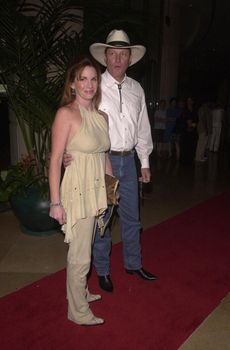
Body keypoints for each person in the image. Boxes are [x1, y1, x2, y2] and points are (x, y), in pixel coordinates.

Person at [64, 29, 157, 293]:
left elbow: (142, 128)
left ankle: (133, 263)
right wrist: (68, 151)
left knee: (132, 217)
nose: (118, 59)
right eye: (113, 53)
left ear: (130, 59)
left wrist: (145, 162)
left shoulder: (136, 89)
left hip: (129, 163)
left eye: (123, 54)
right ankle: (103, 270)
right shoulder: (93, 86)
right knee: (103, 220)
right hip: (101, 162)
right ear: (105, 57)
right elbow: (74, 118)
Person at [49, 56, 112, 326]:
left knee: (85, 246)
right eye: (82, 79)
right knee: (81, 254)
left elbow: (103, 154)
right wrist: (55, 203)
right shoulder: (66, 114)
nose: (88, 84)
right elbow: (55, 159)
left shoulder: (102, 117)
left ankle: (80, 293)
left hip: (97, 188)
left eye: (93, 79)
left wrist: (111, 189)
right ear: (72, 84)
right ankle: (78, 311)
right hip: (77, 189)